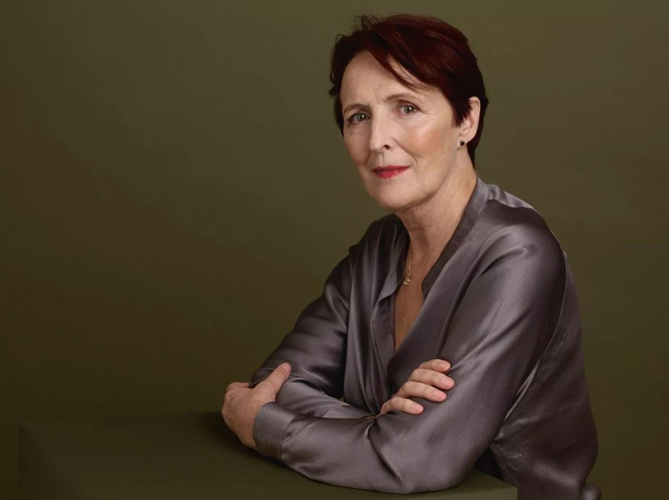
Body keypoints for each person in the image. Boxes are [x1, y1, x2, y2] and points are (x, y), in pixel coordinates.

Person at [221, 13, 600, 499]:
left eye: (406, 107)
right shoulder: (378, 248)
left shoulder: (518, 255)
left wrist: (267, 427)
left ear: (466, 119)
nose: (377, 140)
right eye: (358, 116)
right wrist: (381, 429)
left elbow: (417, 461)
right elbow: (275, 383)